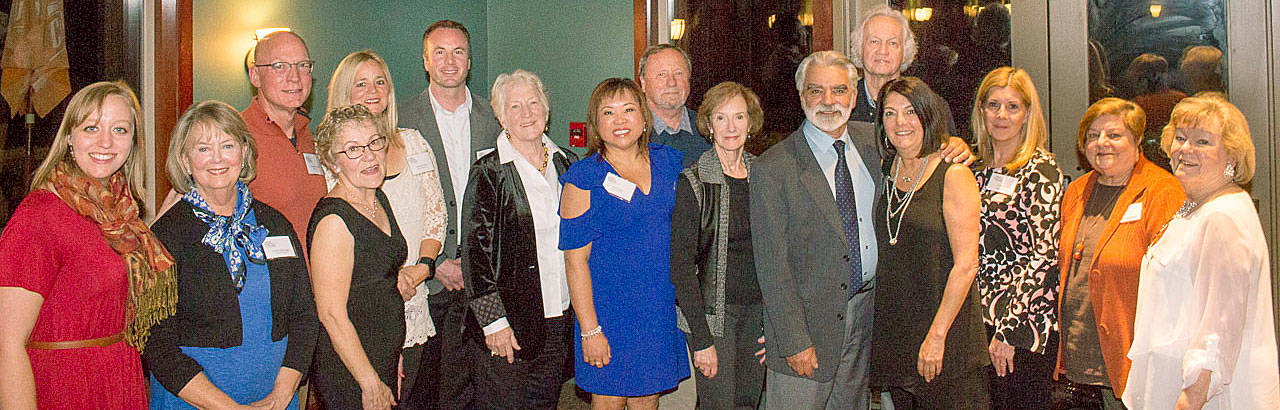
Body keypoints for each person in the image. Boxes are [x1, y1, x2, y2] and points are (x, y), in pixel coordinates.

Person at [0, 81, 176, 408]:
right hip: (65, 387)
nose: (105, 142)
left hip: (120, 380)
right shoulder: (39, 215)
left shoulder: (122, 215)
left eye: (120, 129)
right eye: (91, 127)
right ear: (69, 138)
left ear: (134, 142)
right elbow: (7, 344)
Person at [145, 100, 318, 409]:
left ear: (244, 152)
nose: (217, 159)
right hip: (193, 403)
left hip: (277, 401)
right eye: (202, 149)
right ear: (185, 161)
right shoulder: (165, 236)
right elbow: (159, 346)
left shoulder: (275, 224)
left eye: (227, 145)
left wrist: (282, 394)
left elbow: (304, 315)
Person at [1125, 96, 1280, 409]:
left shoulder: (1221, 217)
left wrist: (1190, 400)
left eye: (1203, 142)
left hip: (1205, 397)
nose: (1185, 149)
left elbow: (1219, 329)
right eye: (1180, 138)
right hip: (1174, 384)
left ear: (1232, 157)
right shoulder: (1195, 204)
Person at [751, 50, 882, 409]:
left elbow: (925, 143)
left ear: (854, 97)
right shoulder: (773, 167)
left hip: (864, 317)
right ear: (801, 96)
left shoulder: (876, 145)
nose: (828, 101)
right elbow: (771, 265)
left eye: (839, 90)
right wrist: (793, 339)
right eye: (816, 91)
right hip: (807, 330)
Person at [559, 78, 690, 409]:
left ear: (644, 117)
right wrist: (590, 330)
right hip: (607, 314)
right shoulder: (583, 178)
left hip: (657, 311)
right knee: (608, 400)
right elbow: (575, 262)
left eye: (629, 110)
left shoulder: (669, 164)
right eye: (609, 112)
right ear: (597, 124)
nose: (620, 121)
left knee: (648, 400)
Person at [326, 49, 446, 405]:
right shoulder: (333, 156)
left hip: (415, 295)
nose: (373, 90)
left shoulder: (413, 141)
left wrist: (419, 271)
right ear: (344, 93)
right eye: (361, 83)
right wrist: (389, 282)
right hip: (366, 308)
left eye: (380, 81)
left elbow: (436, 215)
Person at [1052, 98, 1184, 409]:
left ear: (1137, 140)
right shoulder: (1077, 191)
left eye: (1114, 135)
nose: (1102, 143)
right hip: (1077, 360)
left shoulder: (1162, 191)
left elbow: (1174, 286)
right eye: (1092, 136)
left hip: (1128, 364)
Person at [397, 20, 502, 407]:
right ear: (425, 61)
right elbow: (394, 205)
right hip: (428, 277)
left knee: (477, 385)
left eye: (458, 52)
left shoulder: (495, 120)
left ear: (469, 60)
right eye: (439, 52)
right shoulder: (401, 121)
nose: (449, 61)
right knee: (424, 388)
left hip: (483, 278)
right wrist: (436, 260)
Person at [460, 69, 579, 409]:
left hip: (559, 316)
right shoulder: (488, 173)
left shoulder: (568, 164)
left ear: (547, 109)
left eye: (533, 103)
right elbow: (475, 254)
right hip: (507, 325)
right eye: (515, 106)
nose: (526, 113)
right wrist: (493, 322)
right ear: (500, 116)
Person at [870, 77, 989, 409]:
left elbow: (966, 266)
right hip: (900, 332)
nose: (900, 122)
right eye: (890, 114)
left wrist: (937, 337)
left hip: (946, 336)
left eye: (910, 112)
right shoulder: (887, 168)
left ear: (927, 116)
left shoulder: (953, 175)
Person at [970, 66, 1065, 410]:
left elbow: (1044, 257)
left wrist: (1009, 330)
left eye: (1012, 107)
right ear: (981, 110)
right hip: (976, 322)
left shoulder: (1041, 170)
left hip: (1021, 326)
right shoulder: (974, 168)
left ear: (1027, 114)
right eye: (993, 105)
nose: (1001, 115)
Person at [670, 81, 768, 409]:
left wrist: (776, 323)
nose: (731, 127)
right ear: (709, 126)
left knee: (747, 403)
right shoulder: (694, 181)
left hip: (758, 315)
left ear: (750, 123)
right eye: (721, 118)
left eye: (739, 117)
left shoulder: (766, 176)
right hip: (713, 318)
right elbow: (681, 267)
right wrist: (701, 338)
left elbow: (780, 251)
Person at [307, 105, 407, 410]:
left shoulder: (378, 197)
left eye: (375, 142)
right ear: (331, 162)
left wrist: (393, 354)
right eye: (353, 149)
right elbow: (331, 315)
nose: (369, 155)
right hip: (349, 369)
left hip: (380, 356)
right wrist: (370, 382)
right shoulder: (334, 220)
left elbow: (381, 287)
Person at [242, 31, 327, 251]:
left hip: (316, 278)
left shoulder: (311, 137)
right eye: (280, 66)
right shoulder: (235, 136)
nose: (295, 77)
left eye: (302, 65)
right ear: (255, 76)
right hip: (266, 278)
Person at [638, 44, 710, 167]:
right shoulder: (630, 133)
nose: (671, 82)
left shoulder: (710, 129)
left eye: (678, 73)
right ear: (643, 83)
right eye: (662, 74)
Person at [848, 5, 917, 124]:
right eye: (874, 42)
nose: (883, 51)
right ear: (859, 49)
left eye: (892, 43)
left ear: (905, 52)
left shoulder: (925, 104)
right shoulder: (843, 104)